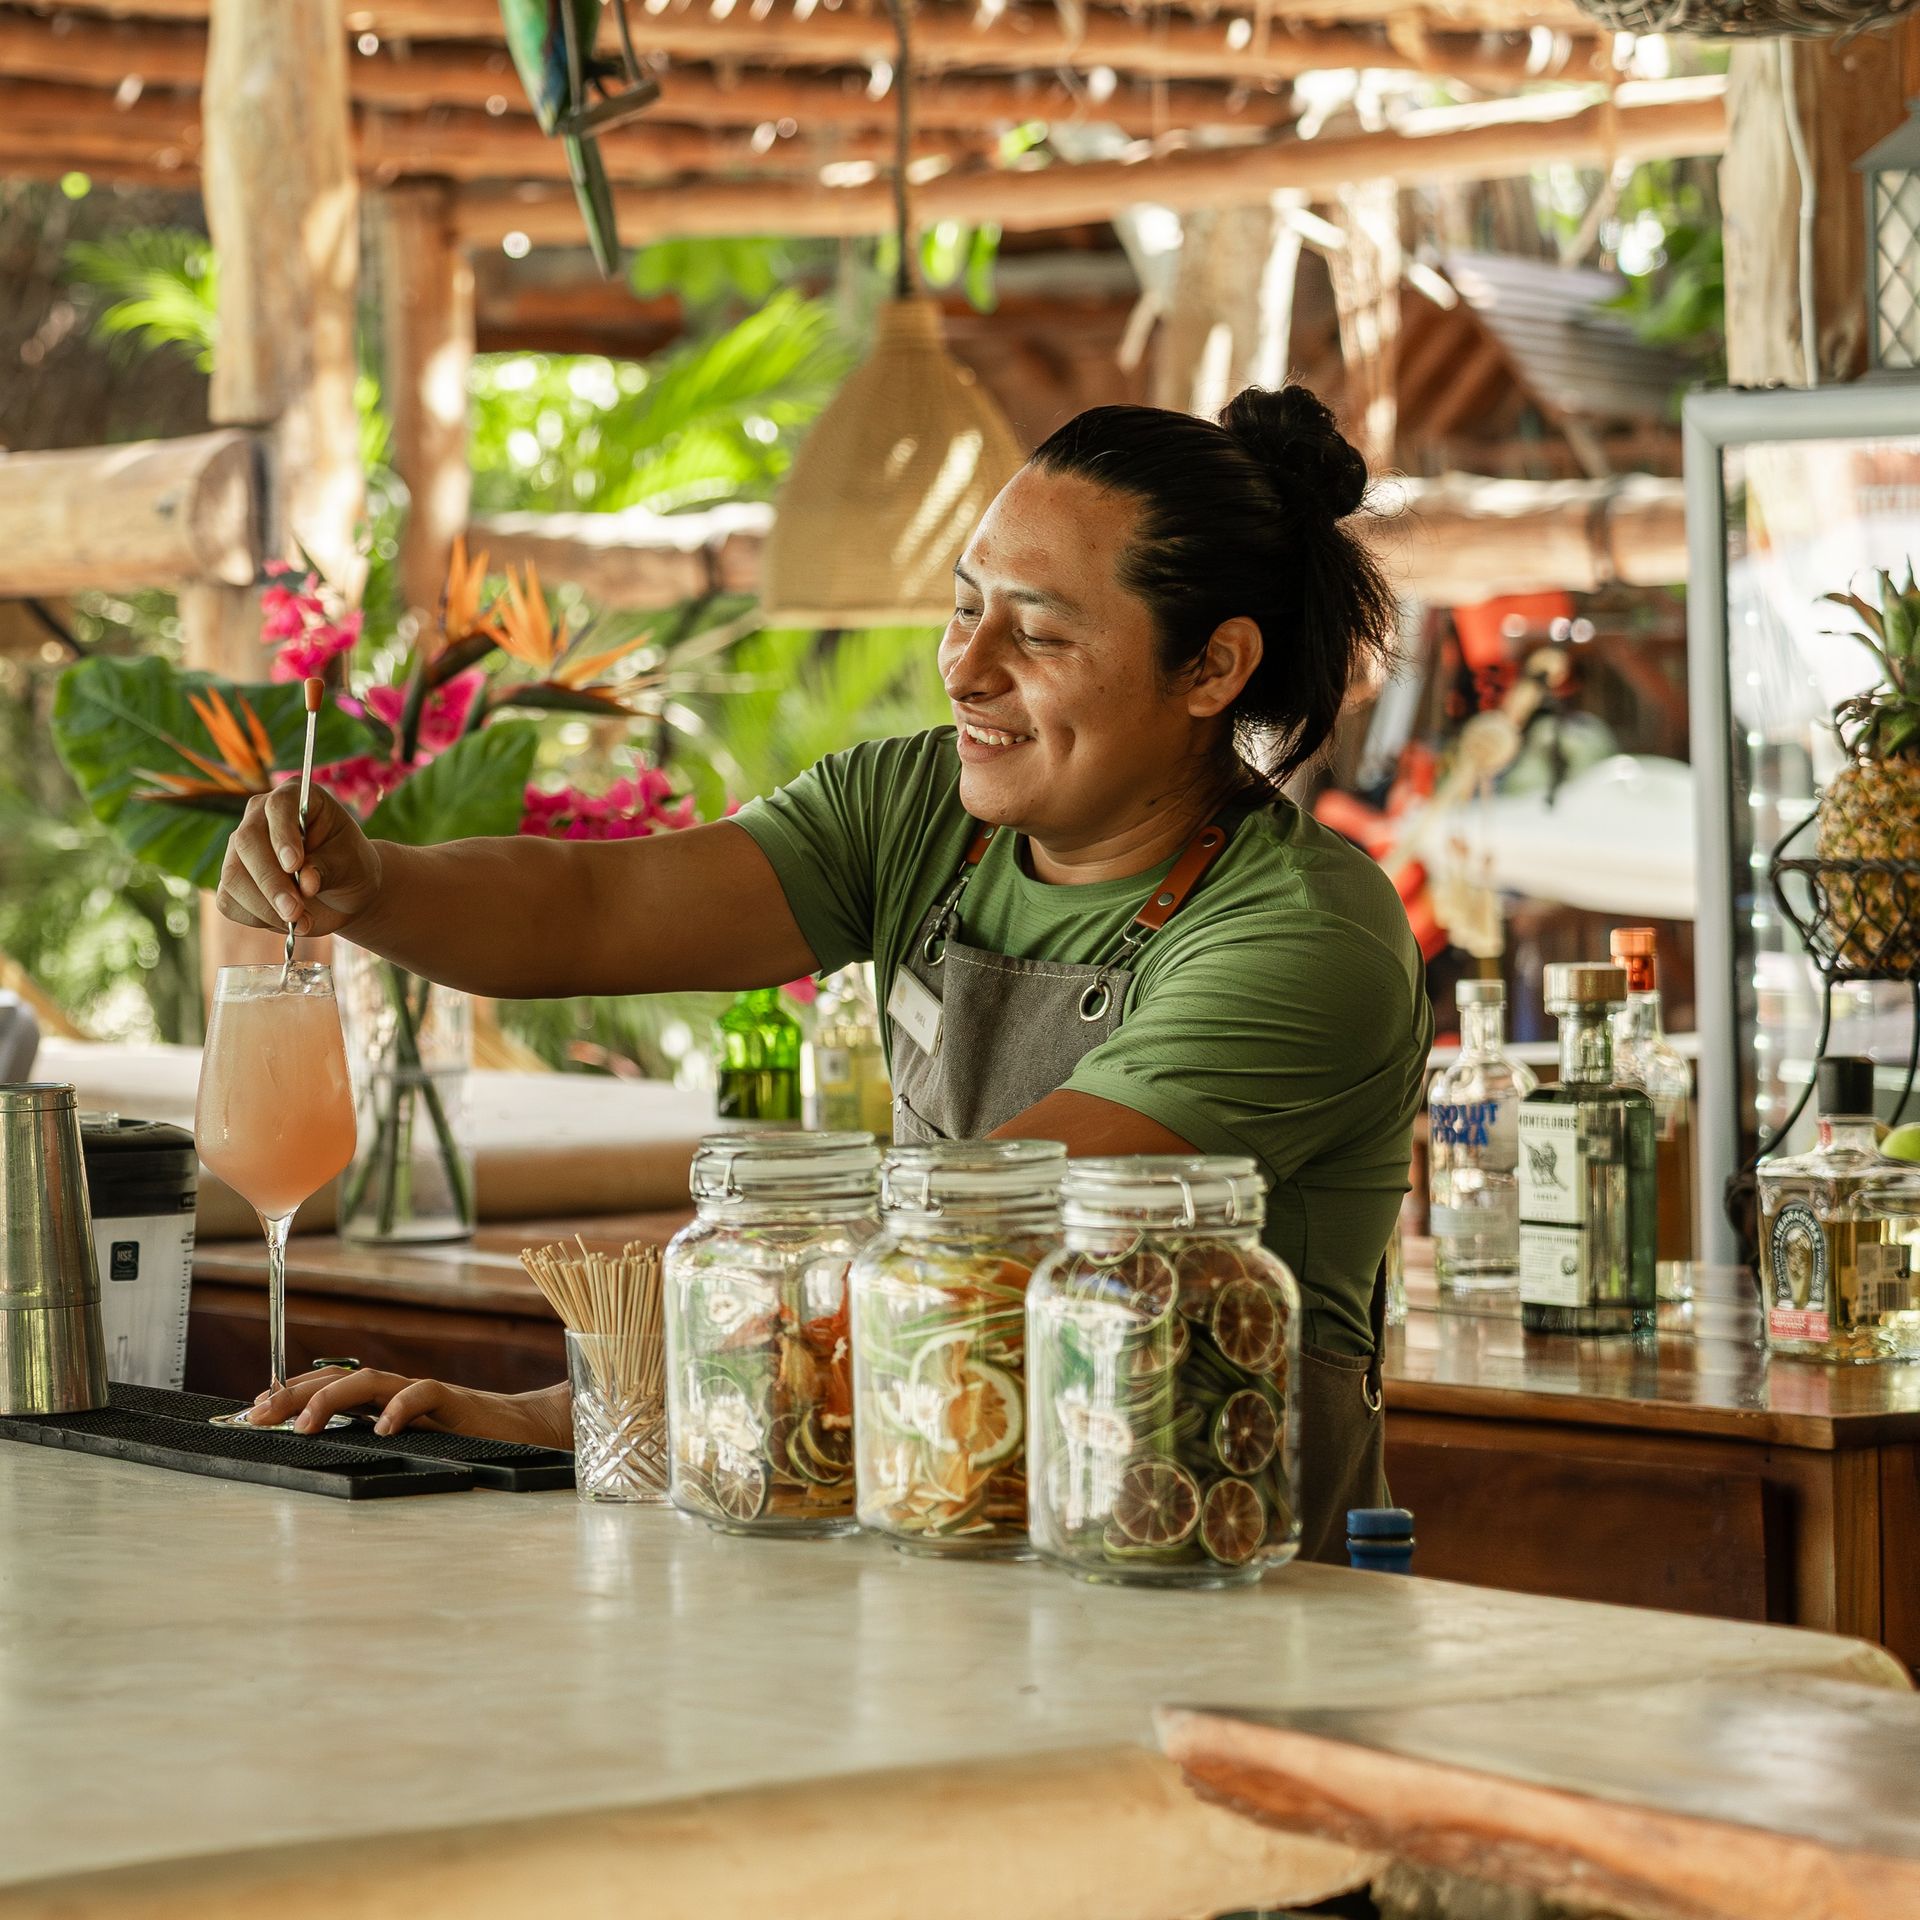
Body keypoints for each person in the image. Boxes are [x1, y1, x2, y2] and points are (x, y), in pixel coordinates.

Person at [223, 384, 1432, 1560]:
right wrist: (372, 888)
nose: (967, 669)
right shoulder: (920, 812)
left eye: (1043, 634)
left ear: (1213, 670)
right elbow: (596, 905)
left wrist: (571, 1411)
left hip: (1218, 1597)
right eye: (967, 609)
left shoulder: (1301, 936)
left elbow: (978, 1233)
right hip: (940, 1540)